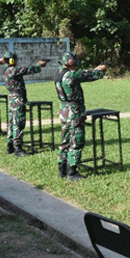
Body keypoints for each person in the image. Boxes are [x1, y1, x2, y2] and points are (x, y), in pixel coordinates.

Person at [54, 52, 107, 180]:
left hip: (64, 109)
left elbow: (84, 73)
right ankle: (72, 171)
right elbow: (91, 75)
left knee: (65, 140)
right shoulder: (71, 75)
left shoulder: (58, 74)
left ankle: (62, 169)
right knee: (77, 140)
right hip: (74, 110)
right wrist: (102, 69)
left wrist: (96, 69)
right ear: (71, 61)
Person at [2, 51, 48, 157]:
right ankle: (18, 148)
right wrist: (39, 64)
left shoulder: (6, 70)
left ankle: (10, 146)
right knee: (19, 123)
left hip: (12, 98)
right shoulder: (12, 70)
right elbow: (28, 70)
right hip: (17, 99)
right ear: (12, 60)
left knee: (11, 123)